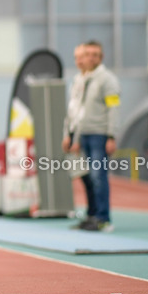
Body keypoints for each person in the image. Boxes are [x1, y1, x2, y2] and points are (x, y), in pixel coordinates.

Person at [75, 40, 120, 232]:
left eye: (95, 55)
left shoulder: (108, 80)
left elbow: (113, 108)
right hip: (84, 135)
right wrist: (75, 136)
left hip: (99, 135)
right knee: (88, 178)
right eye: (88, 54)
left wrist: (111, 135)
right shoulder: (83, 80)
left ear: (101, 57)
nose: (90, 58)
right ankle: (92, 215)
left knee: (98, 177)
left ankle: (103, 218)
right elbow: (77, 111)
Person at [62, 44, 96, 229]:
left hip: (86, 134)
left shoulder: (93, 81)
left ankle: (96, 215)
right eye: (76, 58)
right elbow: (72, 110)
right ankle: (90, 214)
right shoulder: (76, 80)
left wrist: (77, 139)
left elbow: (85, 112)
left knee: (92, 177)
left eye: (82, 57)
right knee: (83, 177)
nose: (79, 61)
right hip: (74, 132)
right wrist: (66, 134)